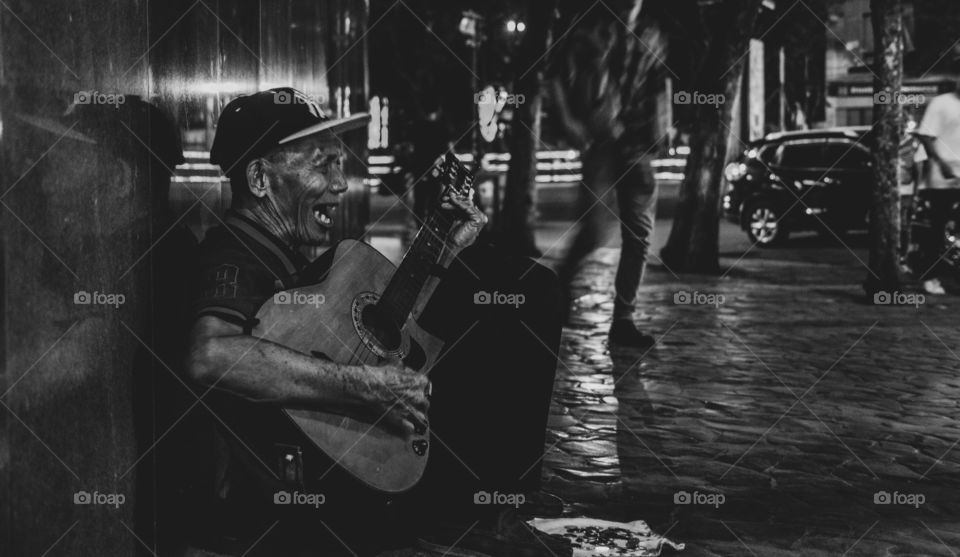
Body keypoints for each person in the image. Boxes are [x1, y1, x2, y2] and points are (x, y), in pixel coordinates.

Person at [183, 88, 567, 556]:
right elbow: (210, 355)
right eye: (322, 166)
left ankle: (491, 509)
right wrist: (365, 386)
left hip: (365, 458)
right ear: (260, 178)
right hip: (333, 492)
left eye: (339, 166)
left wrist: (442, 252)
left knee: (495, 277)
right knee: (522, 289)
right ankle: (478, 514)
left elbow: (389, 331)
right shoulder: (235, 256)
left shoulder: (282, 251)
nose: (341, 185)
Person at [547, 15, 664, 348]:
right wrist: (572, 123)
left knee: (638, 235)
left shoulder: (650, 33)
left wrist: (660, 129)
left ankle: (623, 321)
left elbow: (657, 84)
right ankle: (560, 287)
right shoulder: (591, 26)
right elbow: (554, 77)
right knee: (596, 230)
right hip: (604, 146)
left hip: (639, 146)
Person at [914, 61, 960, 295]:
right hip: (942, 179)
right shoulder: (941, 104)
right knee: (937, 226)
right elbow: (926, 137)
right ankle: (929, 275)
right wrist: (941, 164)